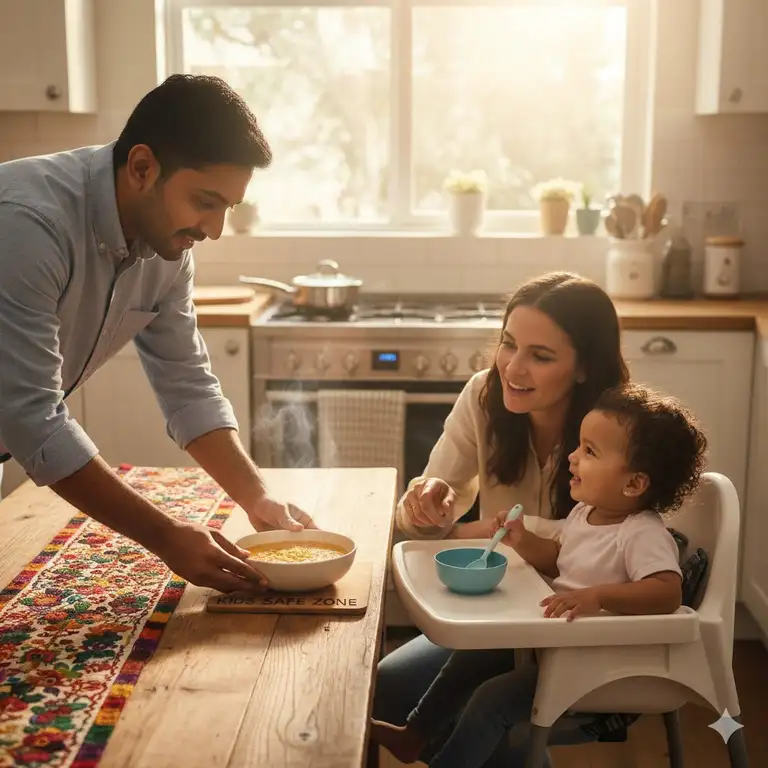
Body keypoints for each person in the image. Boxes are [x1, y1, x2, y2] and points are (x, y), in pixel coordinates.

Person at [0, 74, 316, 595]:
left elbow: (187, 386)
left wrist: (257, 497)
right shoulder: (29, 225)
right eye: (204, 202)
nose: (213, 230)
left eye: (227, 210)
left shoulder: (168, 251)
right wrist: (166, 536)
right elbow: (32, 420)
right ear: (143, 167)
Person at [372, 383, 707, 767]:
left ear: (633, 484)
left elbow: (666, 593)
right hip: (550, 645)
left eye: (590, 451)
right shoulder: (586, 512)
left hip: (594, 663)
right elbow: (557, 560)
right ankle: (414, 734)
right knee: (473, 657)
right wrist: (523, 541)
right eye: (579, 445)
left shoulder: (642, 532)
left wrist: (598, 596)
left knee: (491, 700)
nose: (573, 457)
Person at [372, 271, 631, 766]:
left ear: (583, 368)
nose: (513, 367)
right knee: (381, 690)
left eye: (541, 355)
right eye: (509, 344)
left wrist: (482, 531)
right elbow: (423, 520)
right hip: (499, 628)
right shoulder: (483, 396)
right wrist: (427, 502)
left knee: (487, 716)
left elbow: (611, 544)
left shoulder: (623, 430)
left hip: (582, 639)